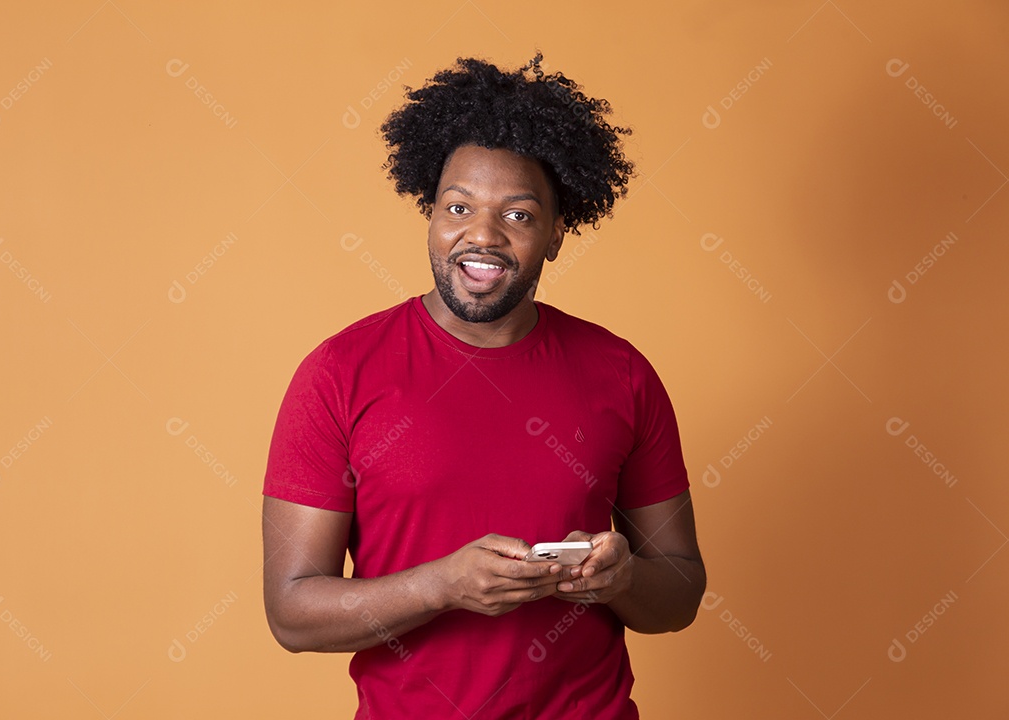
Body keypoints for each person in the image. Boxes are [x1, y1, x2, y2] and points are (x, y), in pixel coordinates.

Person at [262, 53, 706, 719]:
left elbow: (681, 592)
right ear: (431, 214)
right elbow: (292, 613)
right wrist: (441, 585)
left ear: (557, 233)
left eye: (519, 215)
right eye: (458, 206)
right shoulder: (339, 373)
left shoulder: (622, 373)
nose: (482, 235)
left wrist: (622, 578)